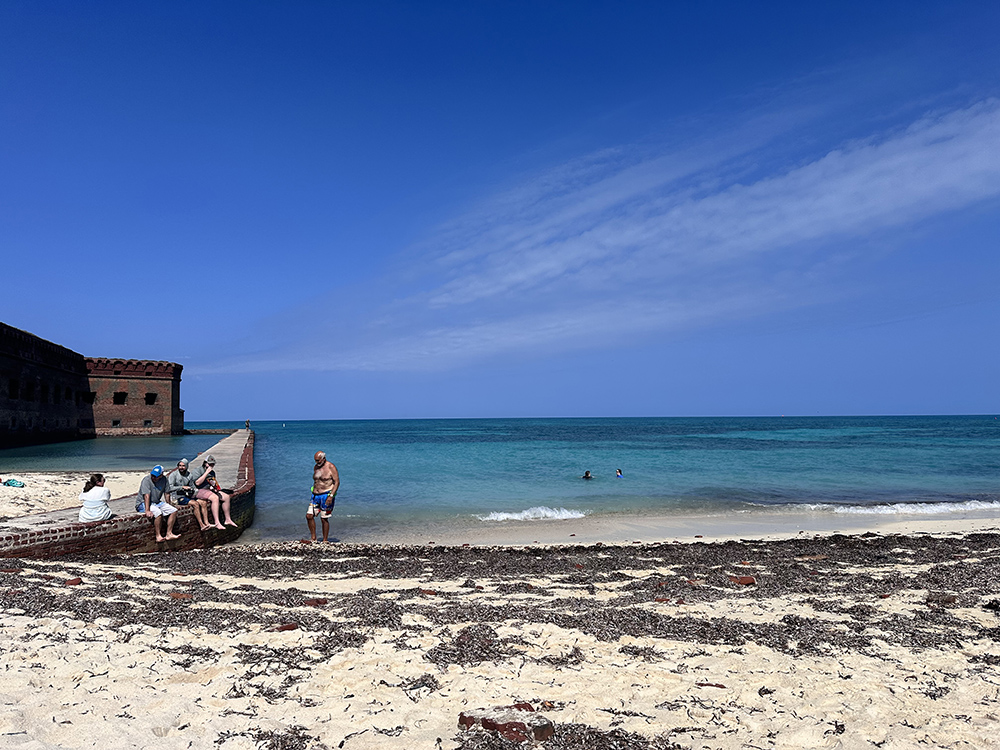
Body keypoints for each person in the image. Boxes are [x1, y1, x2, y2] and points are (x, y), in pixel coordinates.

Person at [136, 465, 180, 542]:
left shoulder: (164, 479)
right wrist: (147, 510)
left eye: (156, 476)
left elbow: (167, 493)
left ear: (161, 475)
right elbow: (146, 496)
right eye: (152, 475)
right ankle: (158, 535)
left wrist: (168, 503)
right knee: (158, 513)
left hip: (156, 502)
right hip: (143, 503)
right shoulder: (146, 480)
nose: (154, 478)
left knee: (173, 510)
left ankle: (169, 533)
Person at [195, 454, 237, 529]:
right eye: (209, 464)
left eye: (212, 464)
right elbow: (197, 483)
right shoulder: (198, 471)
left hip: (208, 490)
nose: (211, 466)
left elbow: (212, 482)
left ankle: (227, 519)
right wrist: (206, 472)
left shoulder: (213, 473)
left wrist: (214, 488)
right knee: (215, 498)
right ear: (205, 463)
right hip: (198, 490)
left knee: (226, 497)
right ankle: (217, 522)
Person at [307, 450, 339, 542]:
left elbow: (337, 482)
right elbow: (316, 481)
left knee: (324, 518)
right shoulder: (316, 467)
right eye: (315, 461)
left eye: (318, 460)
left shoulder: (331, 467)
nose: (316, 463)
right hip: (315, 495)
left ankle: (325, 540)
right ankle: (313, 538)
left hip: (326, 495)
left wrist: (331, 496)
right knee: (309, 516)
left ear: (323, 458)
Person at [169, 458, 209, 531]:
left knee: (203, 503)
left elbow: (192, 485)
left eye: (183, 466)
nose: (181, 467)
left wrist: (194, 490)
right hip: (177, 497)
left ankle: (207, 523)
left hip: (187, 495)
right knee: (195, 504)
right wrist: (182, 487)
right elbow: (169, 488)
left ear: (187, 466)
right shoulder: (173, 475)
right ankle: (201, 525)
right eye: (180, 465)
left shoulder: (189, 475)